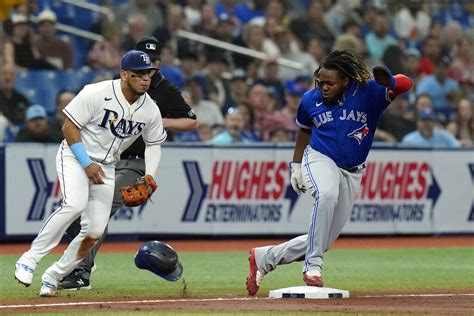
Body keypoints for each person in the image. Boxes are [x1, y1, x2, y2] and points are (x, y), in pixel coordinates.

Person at [246, 49, 413, 295]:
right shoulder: (310, 99)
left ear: (345, 81)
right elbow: (304, 130)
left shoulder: (368, 92)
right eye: (320, 81)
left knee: (323, 240)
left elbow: (406, 83)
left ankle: (264, 258)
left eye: (330, 83)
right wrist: (296, 166)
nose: (323, 87)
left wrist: (390, 81)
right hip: (320, 158)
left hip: (353, 171)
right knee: (326, 195)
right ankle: (312, 266)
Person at [14, 49, 167, 297]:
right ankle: (29, 260)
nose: (145, 79)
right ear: (124, 74)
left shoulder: (150, 109)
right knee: (74, 205)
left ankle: (54, 275)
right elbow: (68, 127)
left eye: (148, 73)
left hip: (106, 167)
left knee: (95, 230)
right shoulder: (96, 93)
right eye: (139, 74)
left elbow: (153, 144)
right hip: (75, 156)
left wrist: (149, 175)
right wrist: (86, 163)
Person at [59, 36, 198, 290]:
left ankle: (82, 272)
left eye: (155, 61)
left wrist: (159, 124)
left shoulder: (164, 90)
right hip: (107, 159)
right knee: (71, 214)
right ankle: (86, 256)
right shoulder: (119, 85)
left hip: (136, 162)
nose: (151, 66)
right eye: (147, 60)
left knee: (99, 210)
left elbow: (191, 120)